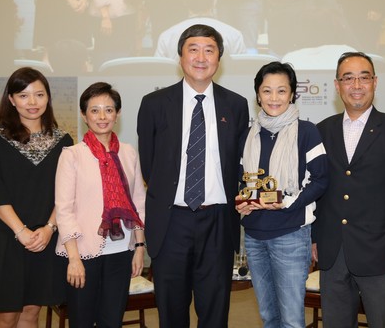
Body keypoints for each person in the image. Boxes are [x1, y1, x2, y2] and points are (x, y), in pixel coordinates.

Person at [137, 24, 249, 328]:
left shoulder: (236, 105)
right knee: (171, 314)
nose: (201, 57)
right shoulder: (154, 104)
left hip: (217, 223)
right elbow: (149, 165)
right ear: (180, 56)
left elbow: (240, 164)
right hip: (172, 222)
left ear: (219, 60)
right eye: (193, 49)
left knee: (214, 313)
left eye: (209, 50)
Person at [312, 52, 385, 328]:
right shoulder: (322, 131)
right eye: (348, 78)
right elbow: (317, 191)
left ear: (375, 82)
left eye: (364, 77)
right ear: (337, 85)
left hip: (379, 252)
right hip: (332, 251)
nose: (356, 85)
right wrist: (315, 238)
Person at [0, 67, 74, 327]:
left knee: (31, 312)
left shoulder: (64, 141)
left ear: (48, 98)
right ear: (11, 99)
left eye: (39, 94)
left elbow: (66, 193)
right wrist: (21, 231)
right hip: (6, 237)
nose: (33, 102)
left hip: (44, 238)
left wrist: (49, 228)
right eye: (24, 96)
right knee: (5, 316)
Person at [235, 61, 328, 327]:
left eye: (281, 91)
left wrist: (286, 202)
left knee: (291, 319)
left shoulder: (307, 132)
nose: (274, 98)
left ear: (292, 94)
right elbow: (242, 181)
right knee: (268, 315)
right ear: (257, 95)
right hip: (253, 235)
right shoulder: (248, 135)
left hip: (291, 234)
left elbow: (321, 180)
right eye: (267, 91)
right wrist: (242, 201)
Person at [54, 82, 146, 327]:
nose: (102, 116)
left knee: (112, 321)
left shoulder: (128, 153)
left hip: (121, 253)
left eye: (109, 109)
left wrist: (138, 247)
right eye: (94, 110)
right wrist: (74, 259)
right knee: (82, 321)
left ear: (117, 114)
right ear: (84, 115)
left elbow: (138, 202)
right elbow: (64, 210)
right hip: (83, 252)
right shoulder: (72, 154)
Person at [154, 0, 247, 61]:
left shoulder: (166, 37)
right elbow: (242, 72)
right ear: (215, 1)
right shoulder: (234, 35)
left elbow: (159, 73)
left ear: (185, 1)